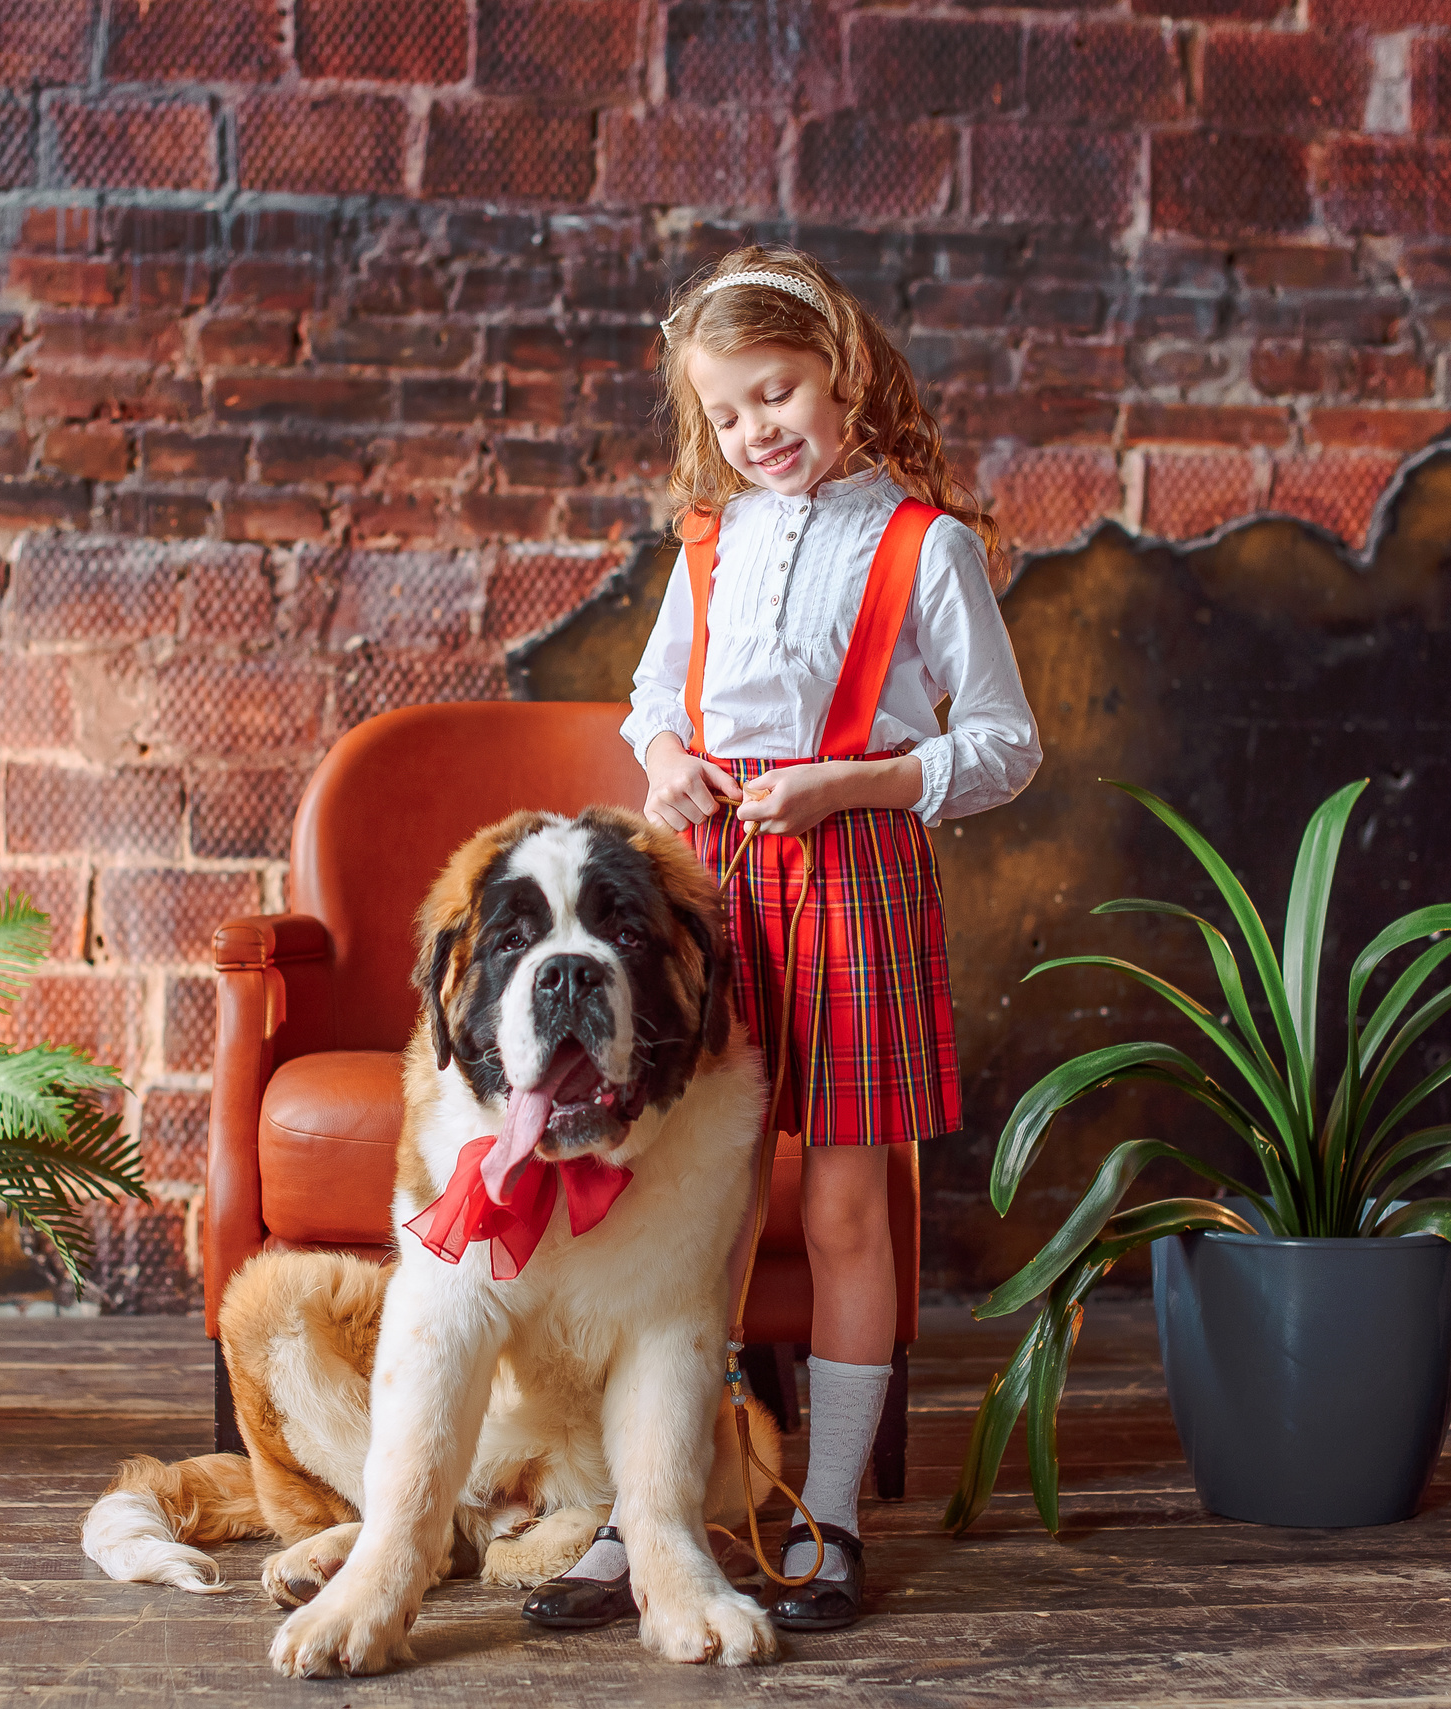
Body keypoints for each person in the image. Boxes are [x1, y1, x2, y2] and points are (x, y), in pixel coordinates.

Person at [523, 246, 1041, 1635]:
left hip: (857, 876)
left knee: (842, 1206)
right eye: (731, 410)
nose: (760, 430)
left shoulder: (924, 544)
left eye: (780, 392)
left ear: (841, 374)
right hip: (714, 884)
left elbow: (1004, 745)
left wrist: (854, 782)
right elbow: (649, 703)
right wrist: (669, 763)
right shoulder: (713, 541)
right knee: (701, 1201)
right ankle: (653, 1510)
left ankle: (827, 1516)